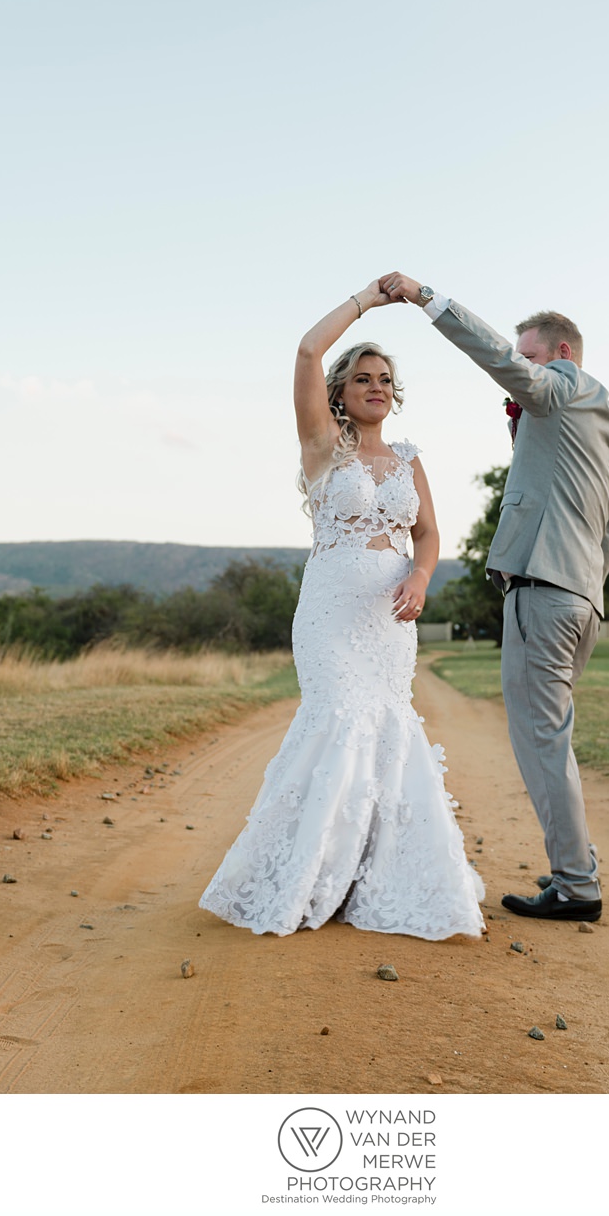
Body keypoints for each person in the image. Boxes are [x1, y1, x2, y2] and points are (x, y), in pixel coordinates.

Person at [198, 278, 486, 940]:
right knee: (337, 722)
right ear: (340, 393)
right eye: (362, 377)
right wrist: (367, 300)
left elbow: (431, 535)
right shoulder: (325, 445)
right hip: (331, 609)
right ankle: (302, 876)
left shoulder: (411, 459)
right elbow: (305, 351)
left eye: (385, 377)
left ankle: (368, 876)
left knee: (387, 729)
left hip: (390, 618)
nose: (376, 386)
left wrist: (420, 576)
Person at [377, 273, 609, 923]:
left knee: (542, 742)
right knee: (554, 739)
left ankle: (577, 885)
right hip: (580, 599)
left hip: (545, 593)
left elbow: (498, 358)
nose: (522, 367)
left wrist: (427, 298)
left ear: (562, 355)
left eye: (531, 355)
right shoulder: (604, 426)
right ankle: (576, 868)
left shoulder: (567, 387)